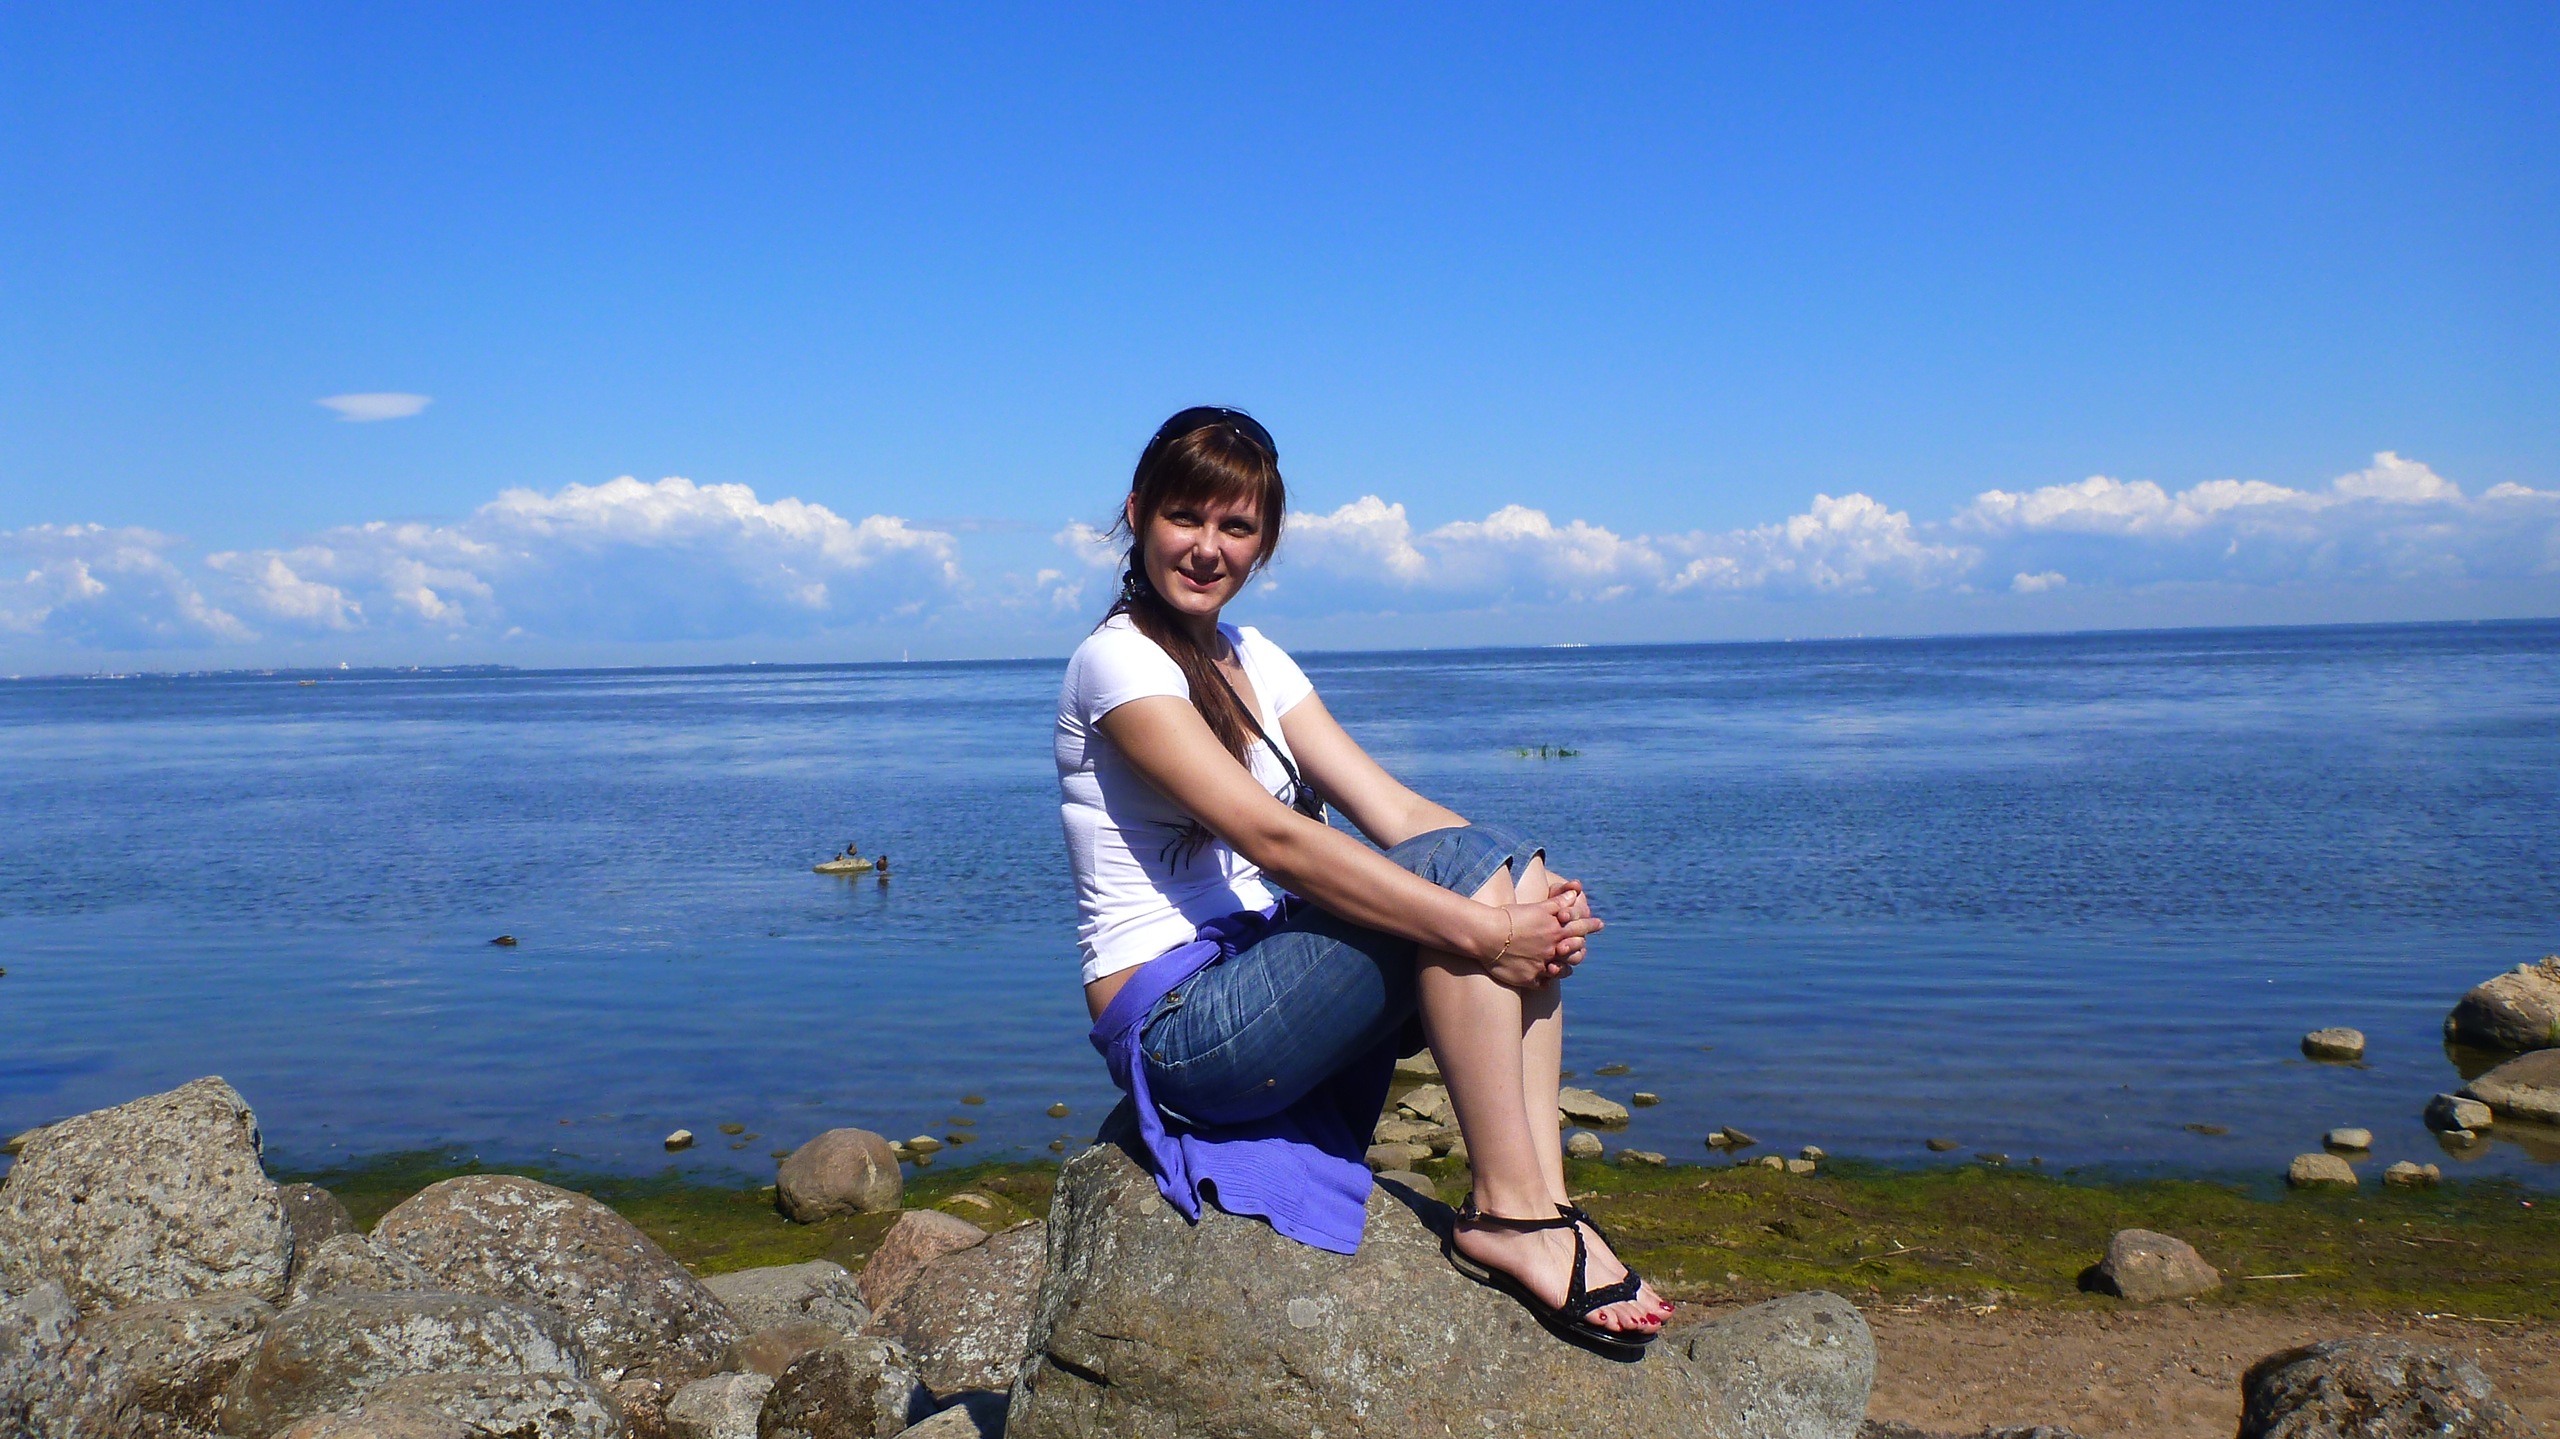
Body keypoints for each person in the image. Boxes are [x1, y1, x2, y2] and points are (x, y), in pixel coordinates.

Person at [1055, 406, 1670, 1353]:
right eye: (1186, 517)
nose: (1208, 547)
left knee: (1500, 865)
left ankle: (1544, 1200)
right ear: (1138, 514)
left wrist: (1534, 888)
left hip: (1260, 985)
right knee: (1471, 896)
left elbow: (1399, 811)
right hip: (1180, 1029)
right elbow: (1276, 840)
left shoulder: (1253, 658)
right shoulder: (1117, 661)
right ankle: (1506, 1213)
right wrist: (1483, 928)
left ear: (1265, 542)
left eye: (1236, 526)